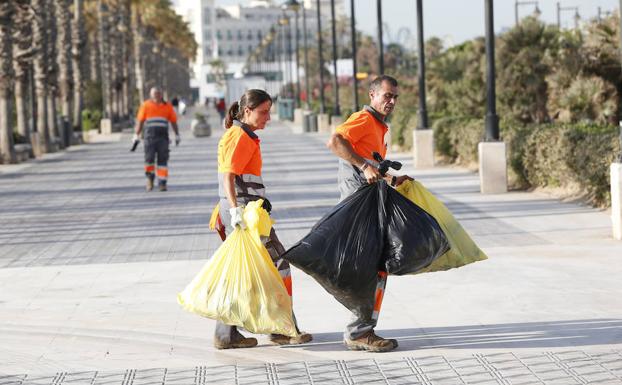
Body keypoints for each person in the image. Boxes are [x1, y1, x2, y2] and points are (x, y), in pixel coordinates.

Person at [214, 89, 313, 349]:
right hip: (246, 215)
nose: (268, 117)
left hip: (246, 211)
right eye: (264, 112)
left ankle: (226, 334)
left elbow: (237, 177)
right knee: (278, 264)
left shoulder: (241, 134)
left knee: (243, 271)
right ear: (247, 111)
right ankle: (283, 329)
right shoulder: (240, 137)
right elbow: (228, 176)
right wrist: (235, 210)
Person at [326, 75, 413, 352]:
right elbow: (335, 142)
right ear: (373, 94)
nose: (391, 101)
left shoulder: (378, 126)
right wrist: (364, 167)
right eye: (387, 95)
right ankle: (359, 332)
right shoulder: (363, 119)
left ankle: (363, 329)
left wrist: (391, 179)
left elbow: (371, 164)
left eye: (395, 97)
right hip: (359, 205)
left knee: (376, 265)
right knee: (369, 266)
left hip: (368, 201)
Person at [133, 87, 180, 192]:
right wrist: (136, 135)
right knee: (149, 160)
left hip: (163, 138)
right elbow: (140, 121)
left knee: (162, 160)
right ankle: (150, 180)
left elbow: (173, 121)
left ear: (161, 95)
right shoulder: (145, 105)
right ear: (151, 95)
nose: (156, 95)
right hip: (149, 138)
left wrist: (177, 135)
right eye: (154, 94)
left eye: (158, 93)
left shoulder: (167, 106)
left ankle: (162, 183)